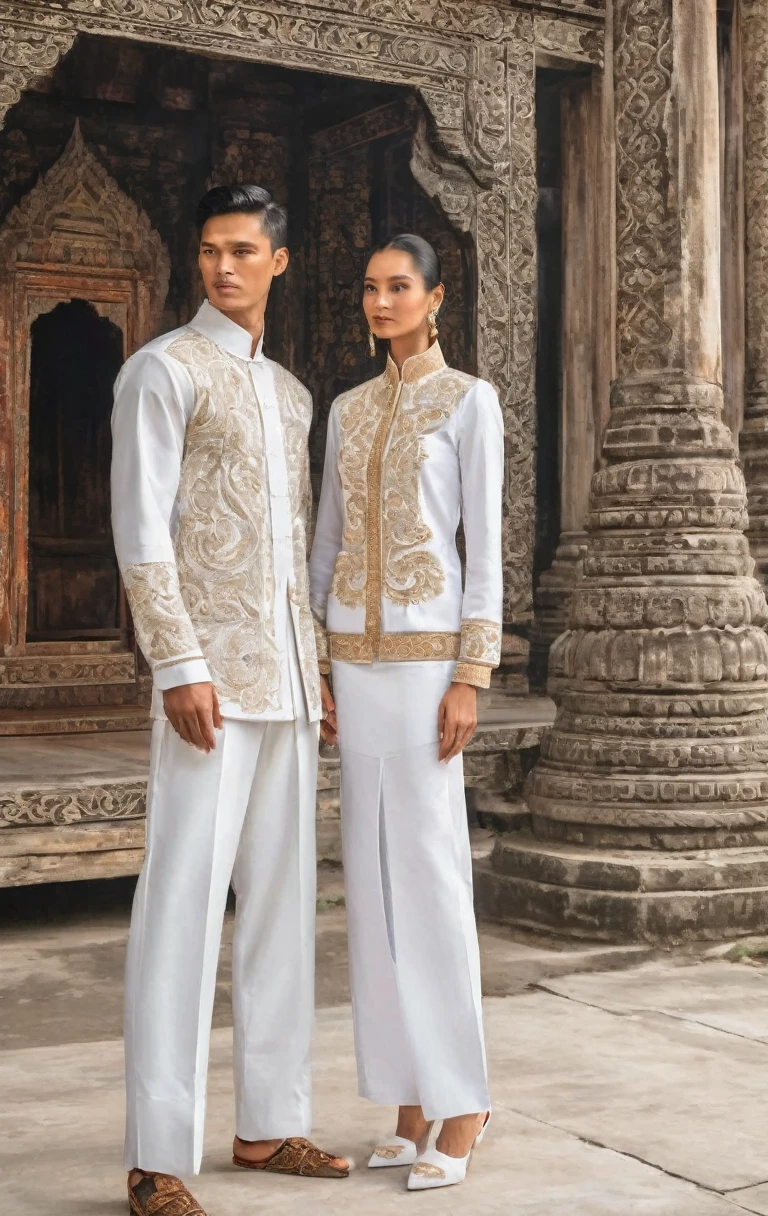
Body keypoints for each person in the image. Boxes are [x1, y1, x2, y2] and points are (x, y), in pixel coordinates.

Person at [111, 185, 347, 1216]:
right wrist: (177, 665)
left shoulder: (292, 395)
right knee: (179, 908)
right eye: (209, 250)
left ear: (279, 262)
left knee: (283, 913)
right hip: (207, 684)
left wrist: (318, 667)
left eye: (244, 251)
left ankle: (267, 1124)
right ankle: (156, 1157)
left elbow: (293, 554)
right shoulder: (161, 369)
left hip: (288, 684)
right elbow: (143, 527)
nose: (223, 267)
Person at [309, 233, 503, 1191]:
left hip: (431, 673)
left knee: (430, 880)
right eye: (369, 288)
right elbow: (326, 541)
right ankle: (407, 1098)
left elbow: (486, 548)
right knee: (372, 884)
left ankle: (464, 1099)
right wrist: (318, 664)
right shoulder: (347, 411)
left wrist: (473, 671)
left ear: (435, 300)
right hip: (354, 665)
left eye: (399, 287)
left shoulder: (469, 402)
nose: (380, 301)